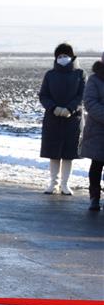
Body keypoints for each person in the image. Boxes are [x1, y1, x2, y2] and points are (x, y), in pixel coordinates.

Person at [39, 43, 86, 195]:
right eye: (59, 56)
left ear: (72, 57)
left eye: (65, 55)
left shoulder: (80, 74)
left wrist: (70, 109)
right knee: (53, 153)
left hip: (72, 120)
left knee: (68, 153)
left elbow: (82, 95)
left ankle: (65, 184)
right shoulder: (50, 75)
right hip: (53, 119)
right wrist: (53, 108)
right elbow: (43, 95)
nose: (63, 58)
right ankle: (53, 183)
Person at [81, 52, 104, 211]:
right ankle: (94, 197)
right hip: (98, 129)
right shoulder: (95, 79)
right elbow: (90, 102)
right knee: (97, 163)